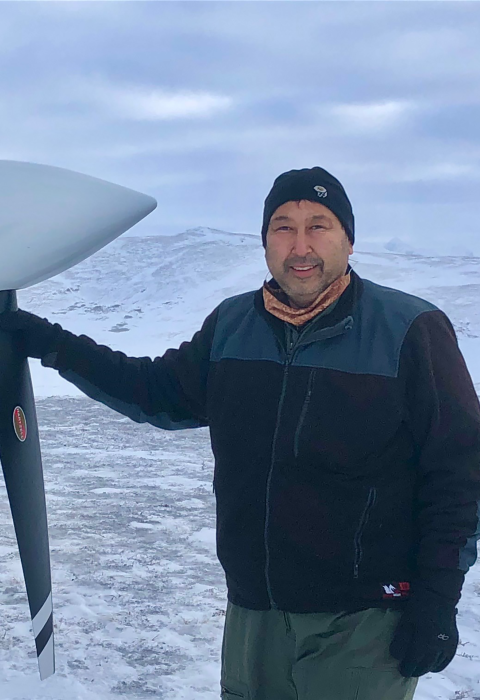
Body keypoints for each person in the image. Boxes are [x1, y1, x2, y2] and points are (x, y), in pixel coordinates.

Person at [1, 166, 479, 700]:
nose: (300, 246)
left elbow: (459, 472)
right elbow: (154, 390)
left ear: (348, 237)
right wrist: (51, 343)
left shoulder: (409, 330)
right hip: (254, 613)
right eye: (283, 227)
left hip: (363, 619)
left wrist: (437, 601)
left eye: (318, 226)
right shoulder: (233, 325)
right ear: (265, 241)